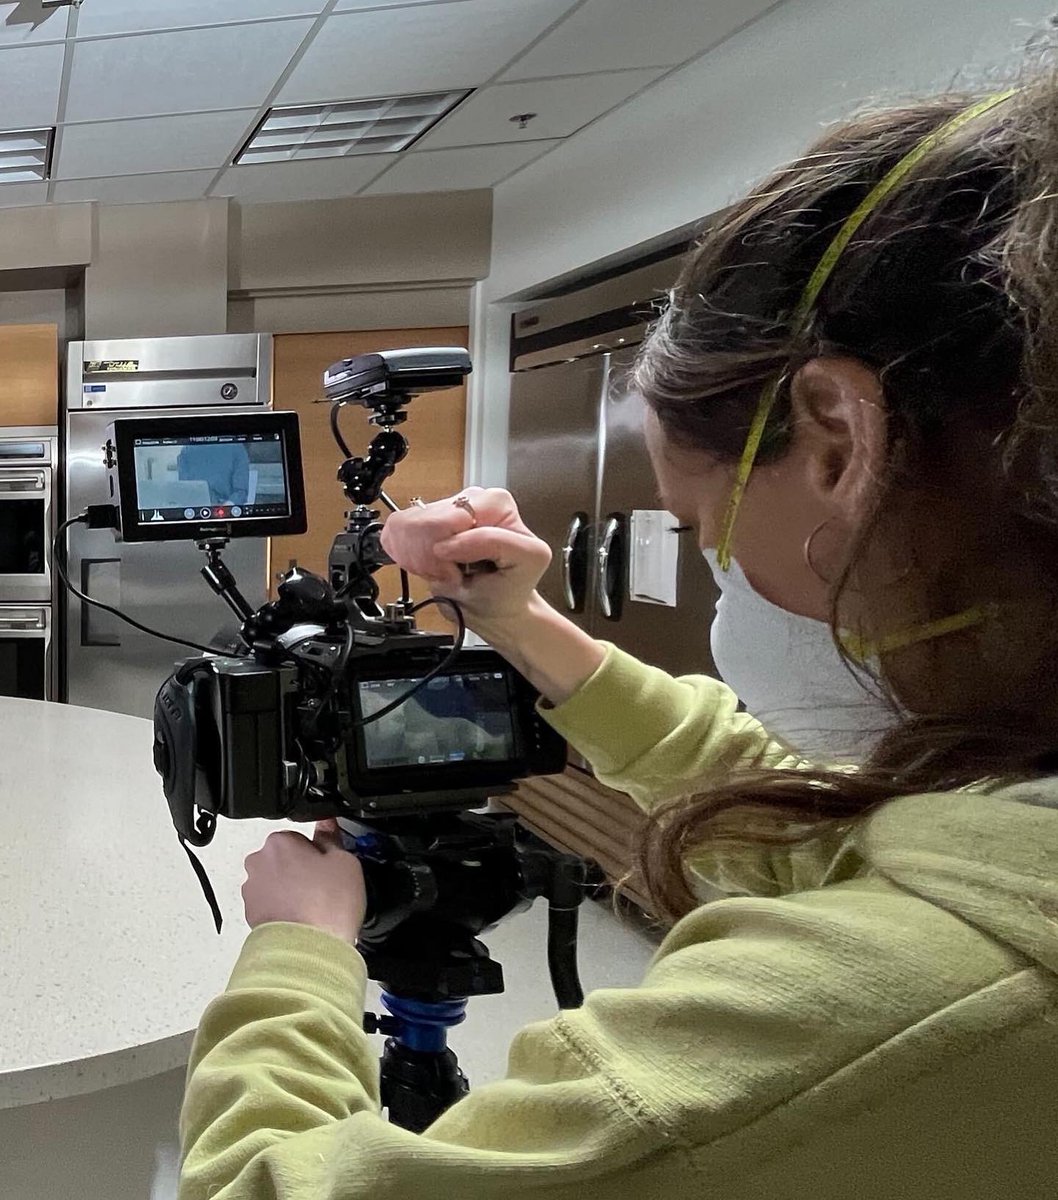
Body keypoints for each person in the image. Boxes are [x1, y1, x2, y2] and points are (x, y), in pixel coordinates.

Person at [179, 72, 1058, 1199]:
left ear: (839, 440)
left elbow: (269, 1184)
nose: (718, 574)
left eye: (700, 531)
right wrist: (520, 623)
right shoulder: (1005, 824)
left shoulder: (898, 1007)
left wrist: (295, 955)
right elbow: (819, 827)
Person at [176, 441, 250, 506]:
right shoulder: (187, 451)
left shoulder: (186, 450)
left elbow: (240, 493)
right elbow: (241, 492)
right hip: (199, 509)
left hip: (198, 510)